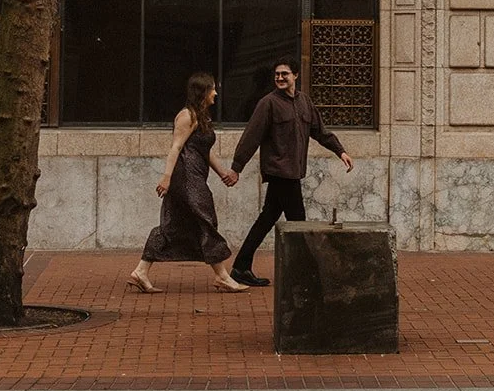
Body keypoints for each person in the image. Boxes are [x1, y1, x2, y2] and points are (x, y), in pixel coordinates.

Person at [227, 60, 354, 287]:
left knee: (267, 218)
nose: (280, 78)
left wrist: (340, 151)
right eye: (277, 74)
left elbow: (320, 132)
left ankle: (241, 266)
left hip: (294, 171)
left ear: (295, 75)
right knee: (298, 223)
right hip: (279, 171)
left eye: (285, 74)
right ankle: (302, 273)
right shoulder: (268, 103)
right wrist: (237, 168)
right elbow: (251, 137)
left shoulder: (304, 102)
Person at [128, 72, 249, 294]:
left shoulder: (200, 116)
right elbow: (175, 147)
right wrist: (166, 177)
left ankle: (141, 271)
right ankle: (222, 276)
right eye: (212, 88)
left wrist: (223, 172)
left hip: (194, 176)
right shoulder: (187, 116)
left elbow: (205, 150)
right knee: (206, 219)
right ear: (202, 91)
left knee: (174, 226)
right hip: (186, 179)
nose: (216, 93)